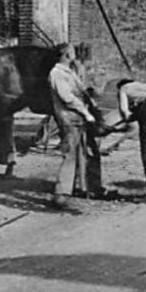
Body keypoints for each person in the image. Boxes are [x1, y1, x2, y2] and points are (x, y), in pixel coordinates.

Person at [48, 43, 106, 206]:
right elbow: (67, 98)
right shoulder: (57, 73)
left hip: (79, 117)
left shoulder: (70, 72)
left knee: (89, 152)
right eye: (72, 52)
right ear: (66, 55)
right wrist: (86, 112)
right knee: (70, 154)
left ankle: (91, 187)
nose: (75, 54)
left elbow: (82, 92)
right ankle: (61, 193)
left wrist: (91, 99)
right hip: (69, 119)